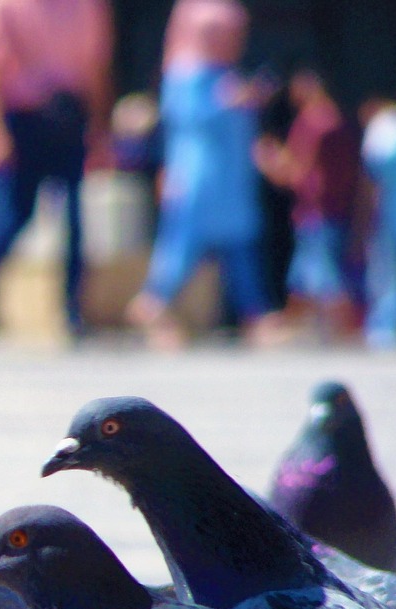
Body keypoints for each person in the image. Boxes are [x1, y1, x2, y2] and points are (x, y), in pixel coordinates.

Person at [0, 0, 113, 339]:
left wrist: (99, 129)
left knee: (75, 219)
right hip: (21, 119)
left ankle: (72, 310)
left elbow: (97, 67)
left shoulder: (85, 6)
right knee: (15, 214)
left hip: (69, 116)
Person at [124, 0, 273, 349]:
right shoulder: (184, 74)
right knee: (182, 246)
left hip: (229, 180)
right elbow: (188, 119)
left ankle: (255, 314)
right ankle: (153, 303)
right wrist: (231, 102)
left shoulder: (228, 75)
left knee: (240, 245)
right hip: (197, 176)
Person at [253, 69, 361, 343]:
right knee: (301, 277)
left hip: (316, 212)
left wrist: (267, 159)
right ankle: (292, 329)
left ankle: (350, 331)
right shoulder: (336, 118)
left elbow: (296, 172)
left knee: (327, 275)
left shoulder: (312, 122)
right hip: (333, 209)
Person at [360, 92, 396, 349]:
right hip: (394, 215)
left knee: (389, 272)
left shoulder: (386, 128)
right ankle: (386, 324)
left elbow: (372, 179)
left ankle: (384, 325)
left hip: (392, 216)